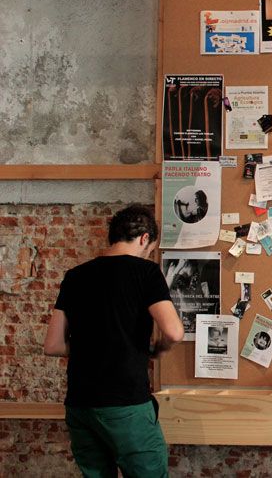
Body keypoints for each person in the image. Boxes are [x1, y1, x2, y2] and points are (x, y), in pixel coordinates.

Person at [43, 205, 184, 478]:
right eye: (150, 249)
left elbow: (53, 345)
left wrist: (91, 345)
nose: (148, 254)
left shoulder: (75, 276)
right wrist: (160, 348)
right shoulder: (146, 272)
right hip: (125, 404)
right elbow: (174, 332)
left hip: (80, 405)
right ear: (144, 238)